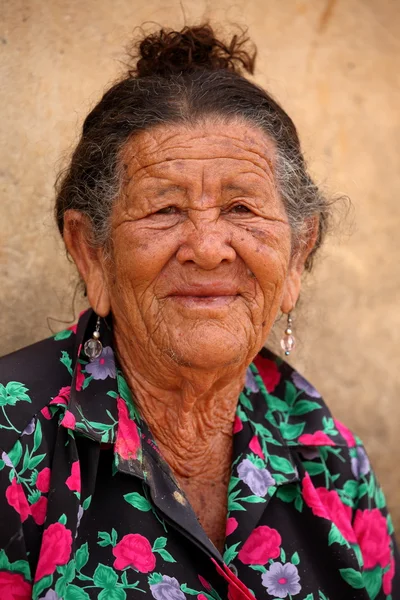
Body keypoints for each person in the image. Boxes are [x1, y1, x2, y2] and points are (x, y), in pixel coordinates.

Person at [0, 23, 398, 600]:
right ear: (92, 252)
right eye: (164, 209)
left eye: (241, 207)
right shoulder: (13, 443)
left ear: (296, 256)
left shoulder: (328, 458)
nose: (208, 247)